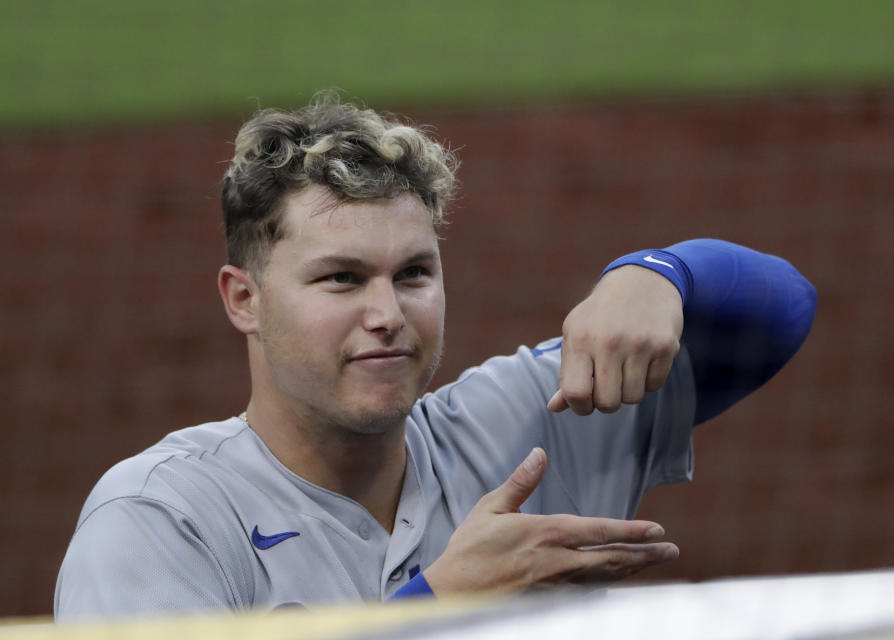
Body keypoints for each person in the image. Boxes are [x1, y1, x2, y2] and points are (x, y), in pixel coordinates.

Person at [55, 94, 817, 619]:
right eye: (341, 279)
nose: (387, 316)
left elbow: (780, 314)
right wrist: (440, 605)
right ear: (243, 299)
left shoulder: (529, 426)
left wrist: (657, 274)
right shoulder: (161, 521)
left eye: (413, 274)